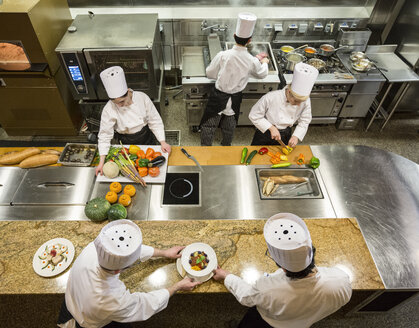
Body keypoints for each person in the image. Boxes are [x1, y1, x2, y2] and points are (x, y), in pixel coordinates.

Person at [213, 213, 352, 328]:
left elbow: (246, 298)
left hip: (266, 323)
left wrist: (226, 276)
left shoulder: (267, 288)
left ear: (282, 266)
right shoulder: (341, 281)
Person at [58, 219, 200, 328]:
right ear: (120, 270)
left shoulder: (96, 247)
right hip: (86, 322)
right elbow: (144, 304)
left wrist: (164, 253)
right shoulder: (110, 299)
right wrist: (176, 287)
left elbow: (126, 252)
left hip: (72, 299)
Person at [200, 12, 269, 146]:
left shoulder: (223, 55)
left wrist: (219, 75)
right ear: (249, 41)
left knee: (209, 125)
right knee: (229, 127)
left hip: (218, 97)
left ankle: (205, 149)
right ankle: (226, 148)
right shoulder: (251, 60)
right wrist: (264, 61)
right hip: (235, 99)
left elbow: (209, 73)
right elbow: (261, 74)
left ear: (234, 36)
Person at [95, 66, 171, 176]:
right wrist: (101, 162)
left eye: (121, 101)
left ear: (127, 92)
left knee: (150, 165)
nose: (119, 105)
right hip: (126, 141)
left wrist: (162, 141)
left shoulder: (142, 98)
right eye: (115, 103)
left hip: (145, 136)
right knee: (134, 171)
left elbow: (154, 120)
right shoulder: (108, 109)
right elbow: (104, 135)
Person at [249, 62, 319, 147]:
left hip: (286, 134)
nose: (298, 105)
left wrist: (296, 136)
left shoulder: (305, 100)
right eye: (296, 101)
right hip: (265, 131)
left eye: (301, 102)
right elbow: (254, 115)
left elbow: (305, 120)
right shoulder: (271, 97)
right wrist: (271, 127)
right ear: (289, 92)